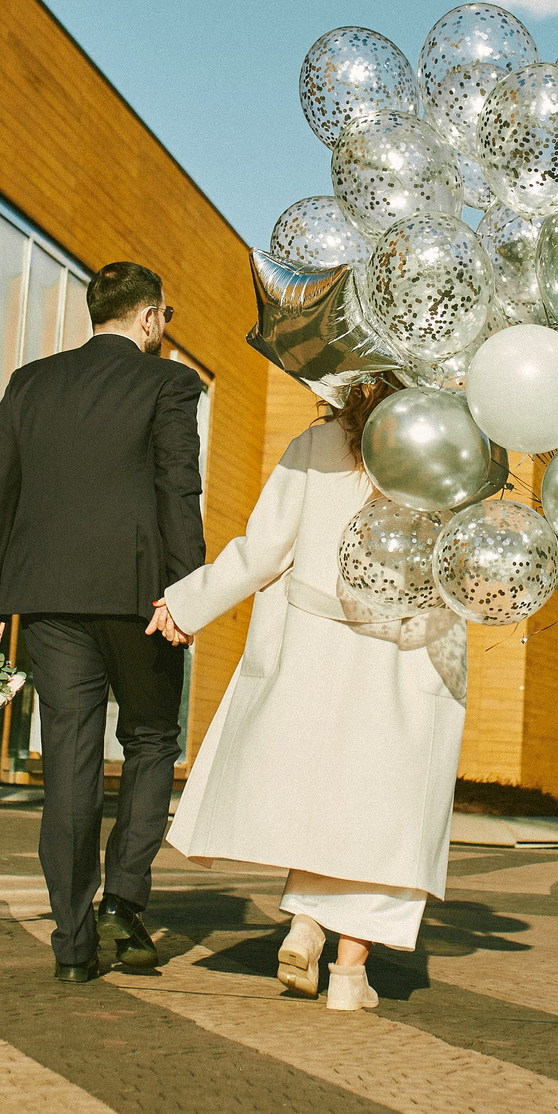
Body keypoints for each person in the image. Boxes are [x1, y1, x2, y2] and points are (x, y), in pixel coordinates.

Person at [152, 374, 469, 1012]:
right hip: (404, 654)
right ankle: (349, 975)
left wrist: (190, 603)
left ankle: (305, 924)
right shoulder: (456, 455)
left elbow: (264, 550)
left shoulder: (316, 445)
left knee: (323, 796)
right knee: (387, 812)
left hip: (315, 648)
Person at [0, 261, 207, 983]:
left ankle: (73, 942)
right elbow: (177, 490)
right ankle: (123, 898)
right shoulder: (169, 383)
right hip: (140, 598)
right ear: (147, 318)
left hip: (47, 600)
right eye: (165, 316)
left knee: (68, 761)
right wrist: (188, 591)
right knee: (152, 737)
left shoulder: (29, 383)